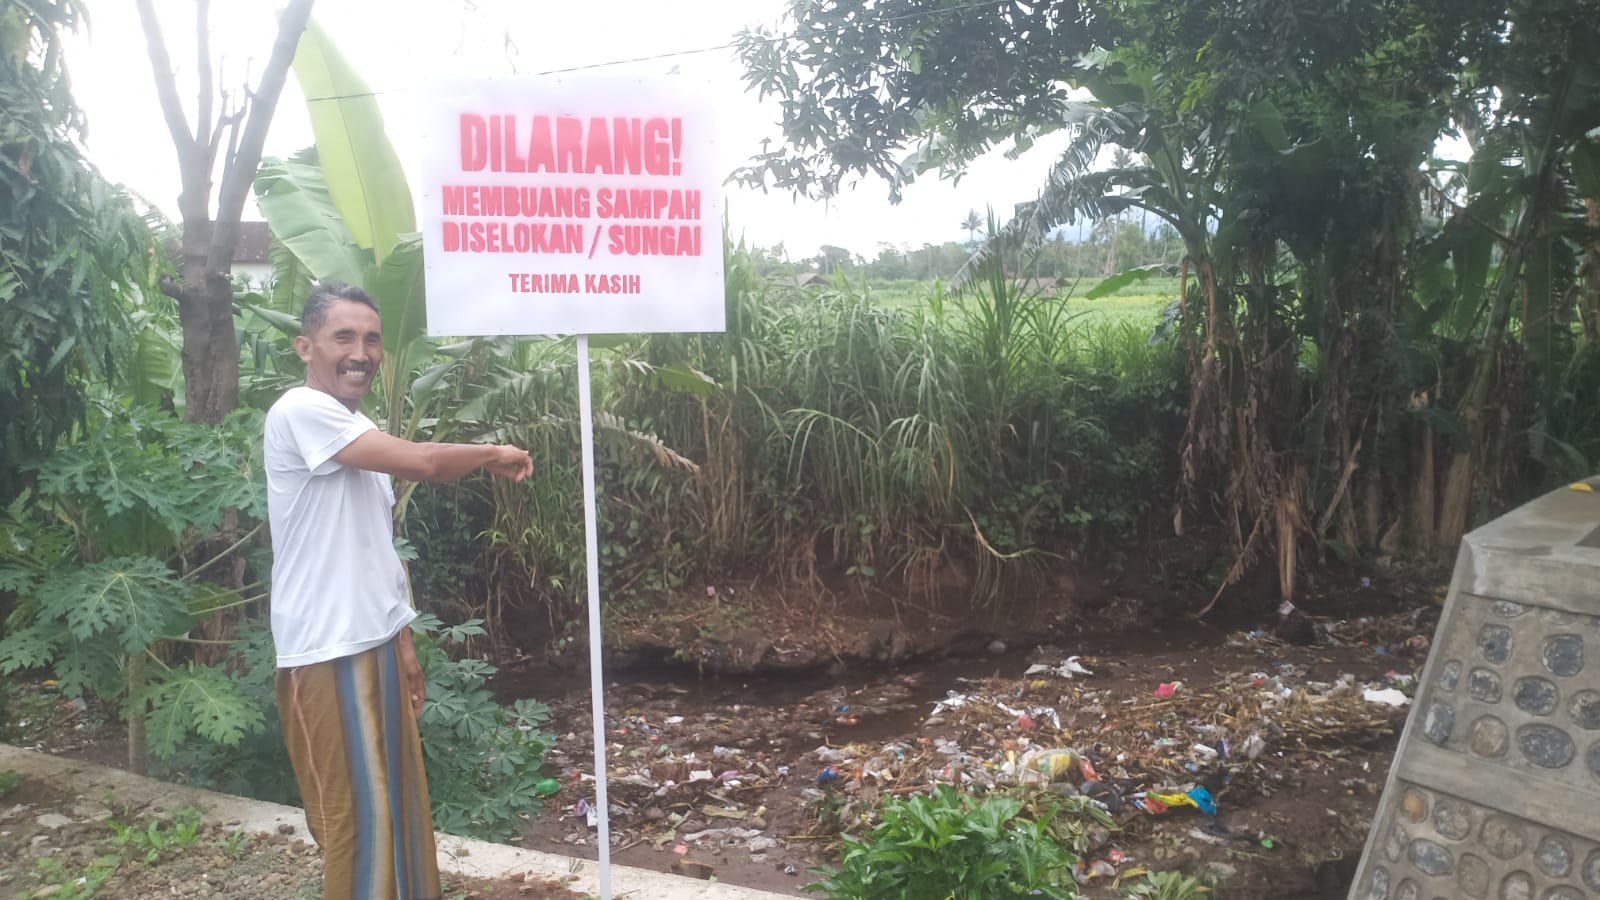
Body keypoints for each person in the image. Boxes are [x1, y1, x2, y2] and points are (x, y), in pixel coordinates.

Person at [263, 281, 532, 900]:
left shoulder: (353, 426)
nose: (361, 351)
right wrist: (491, 450)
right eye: (343, 337)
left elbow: (374, 550)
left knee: (399, 808)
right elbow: (426, 462)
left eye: (372, 339)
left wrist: (403, 642)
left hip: (373, 640)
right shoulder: (300, 411)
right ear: (306, 347)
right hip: (327, 649)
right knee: (356, 820)